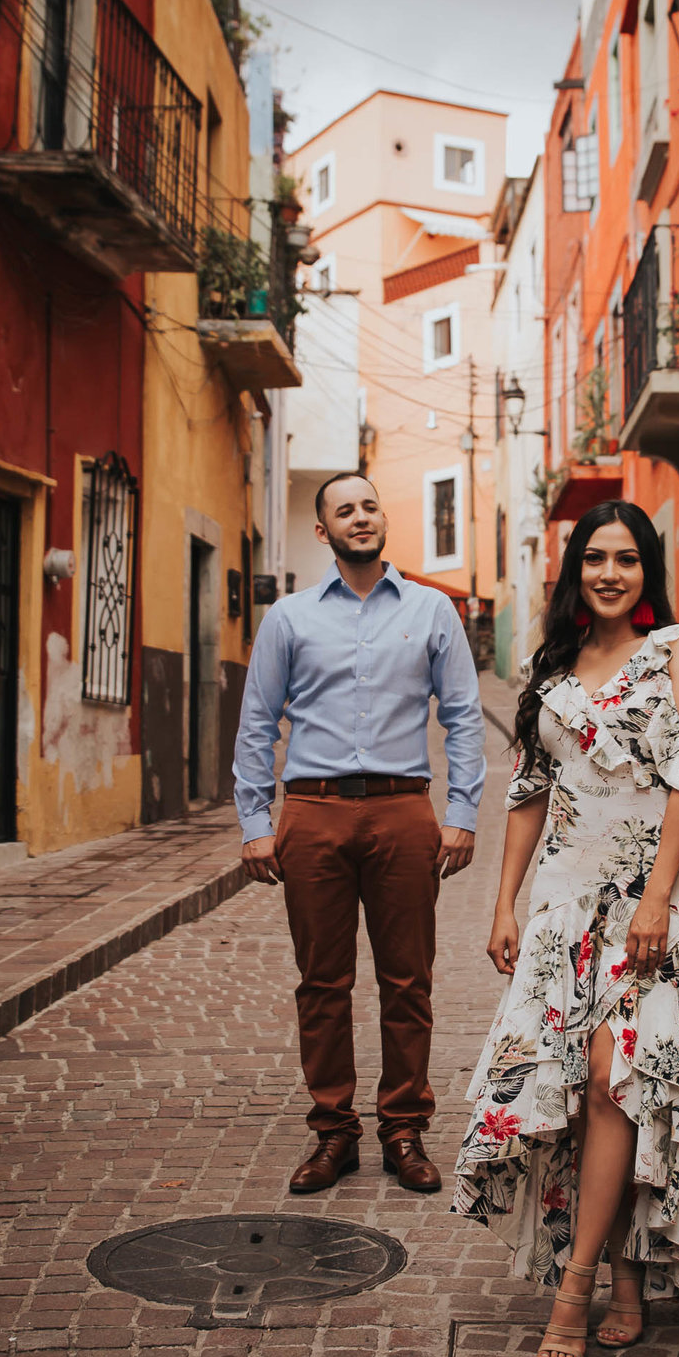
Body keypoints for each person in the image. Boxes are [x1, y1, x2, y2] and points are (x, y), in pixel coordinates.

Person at [450, 500, 679, 1357]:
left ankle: (575, 1289)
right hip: (565, 903)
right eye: (597, 558)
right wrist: (506, 902)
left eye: (629, 559)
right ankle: (626, 1274)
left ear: (648, 571)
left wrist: (654, 899)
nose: (612, 573)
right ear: (576, 570)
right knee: (564, 1093)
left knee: (617, 1079)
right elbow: (530, 790)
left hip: (651, 899)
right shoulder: (556, 668)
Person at [234, 471, 485, 1196]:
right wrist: (256, 823)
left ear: (383, 518)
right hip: (310, 813)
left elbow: (464, 719)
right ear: (323, 532)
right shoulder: (289, 618)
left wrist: (462, 812)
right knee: (323, 983)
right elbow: (257, 723)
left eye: (371, 504)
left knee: (409, 980)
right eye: (344, 509)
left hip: (403, 810)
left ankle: (404, 1129)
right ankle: (333, 1132)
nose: (361, 517)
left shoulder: (434, 611)